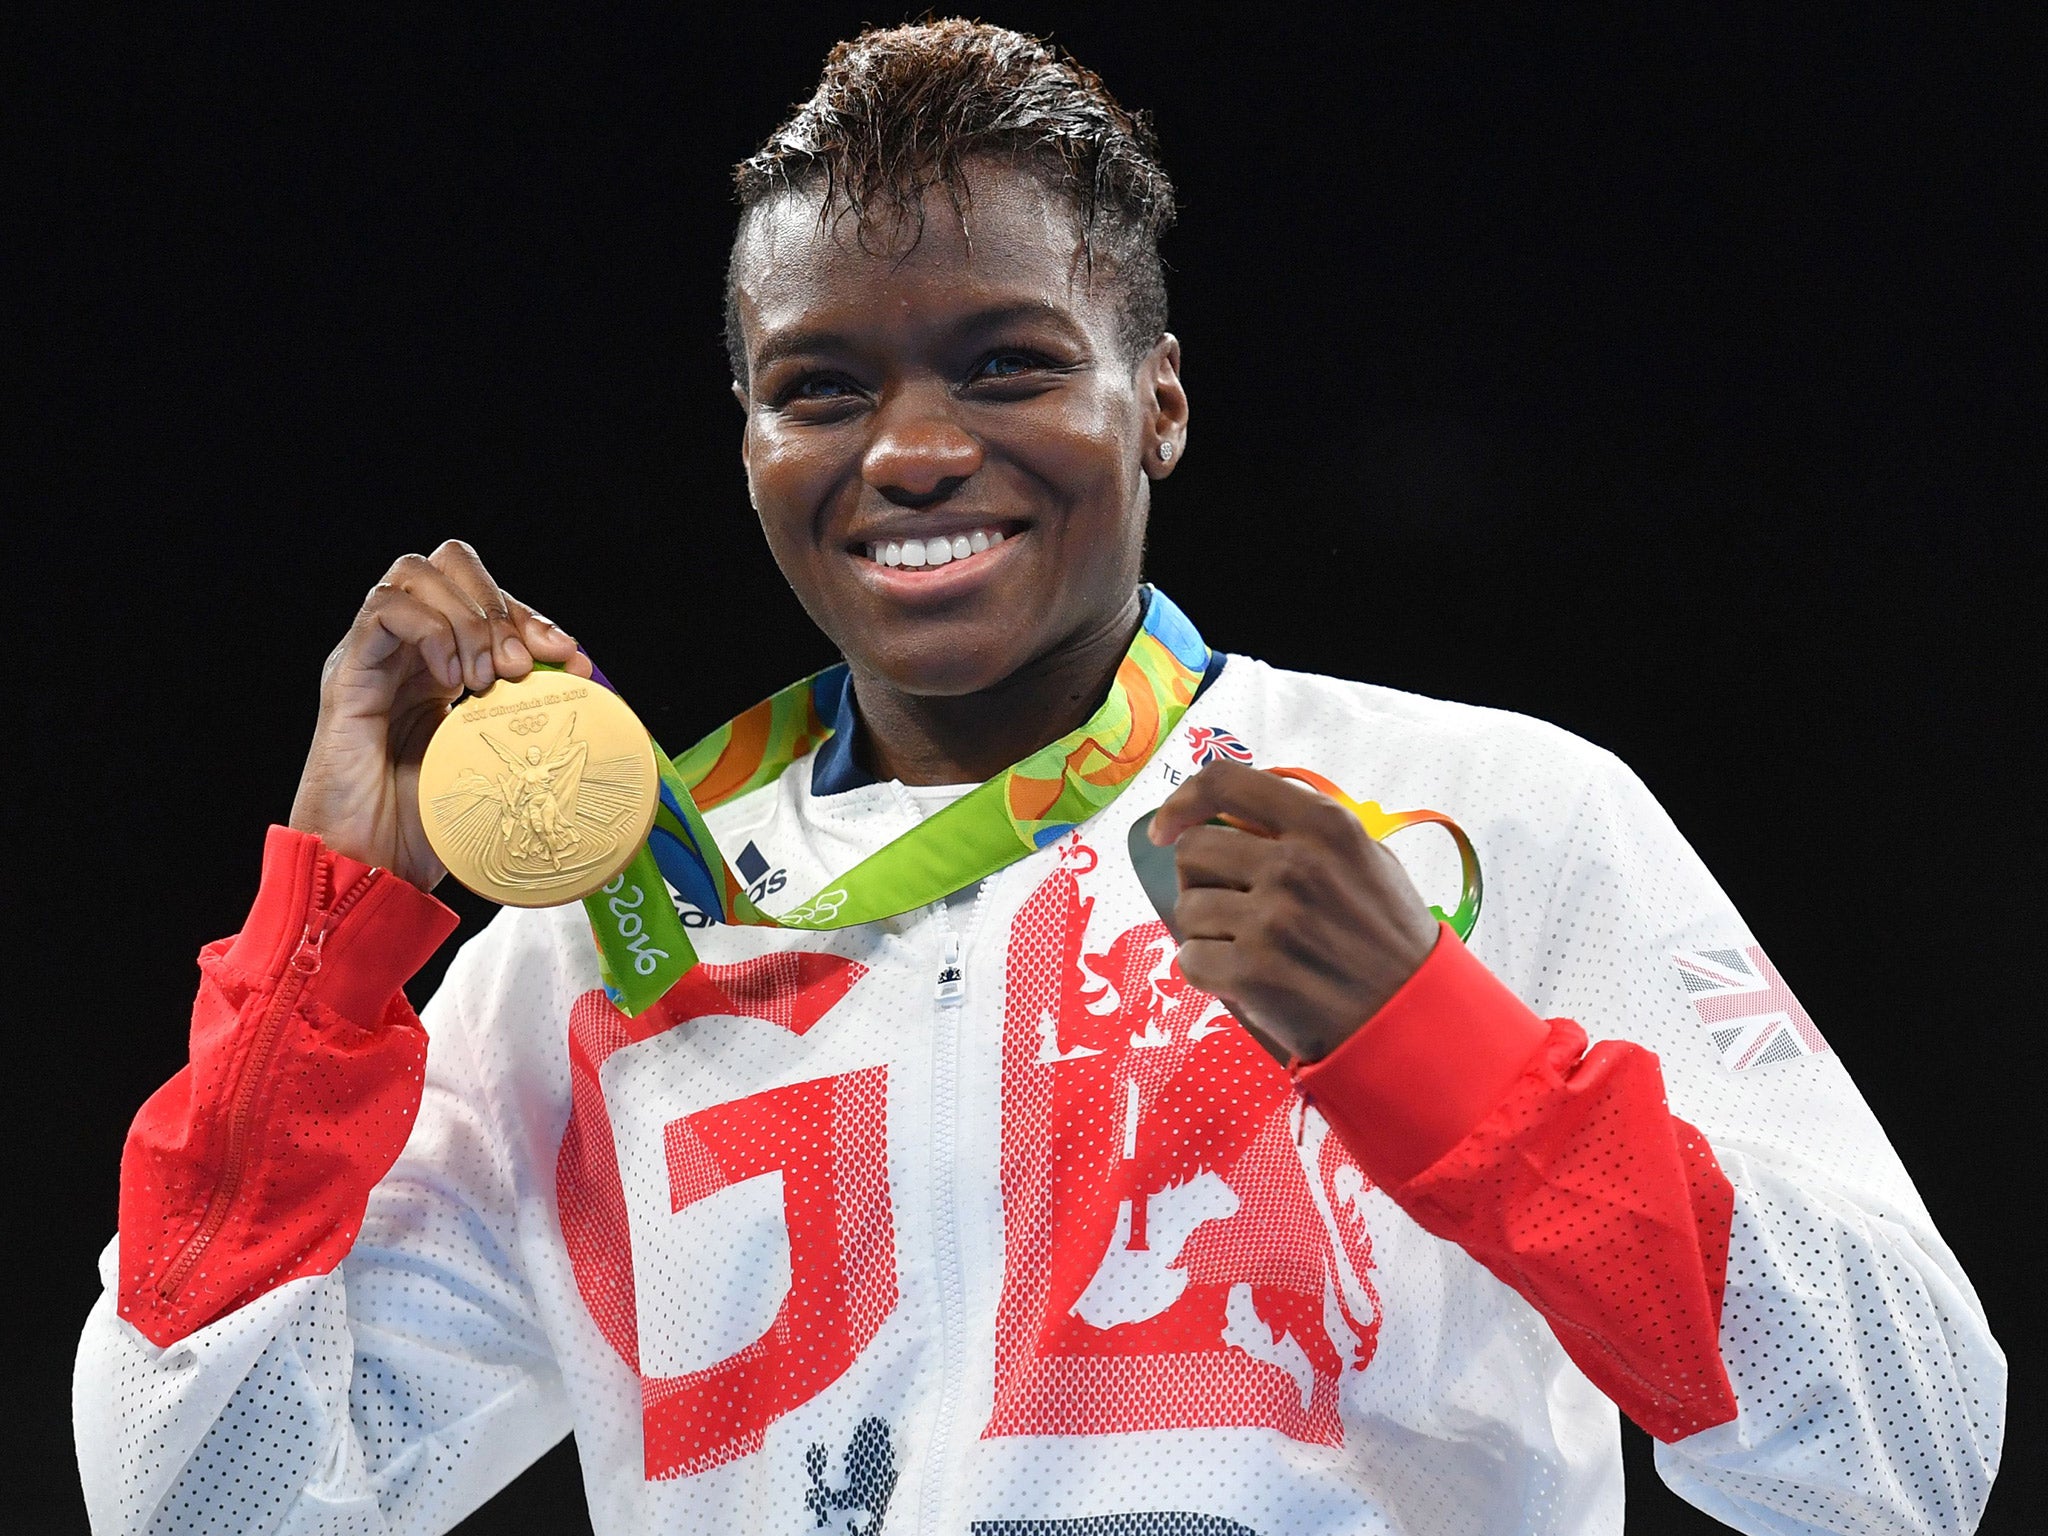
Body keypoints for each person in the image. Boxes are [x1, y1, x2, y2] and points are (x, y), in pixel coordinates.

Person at [75, 20, 2003, 1536]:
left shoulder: (1483, 817)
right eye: (822, 387)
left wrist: (1446, 1054)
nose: (910, 450)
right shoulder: (614, 943)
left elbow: (1906, 1461)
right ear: (748, 437)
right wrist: (331, 949)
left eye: (1005, 365)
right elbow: (207, 1503)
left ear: (1155, 396)